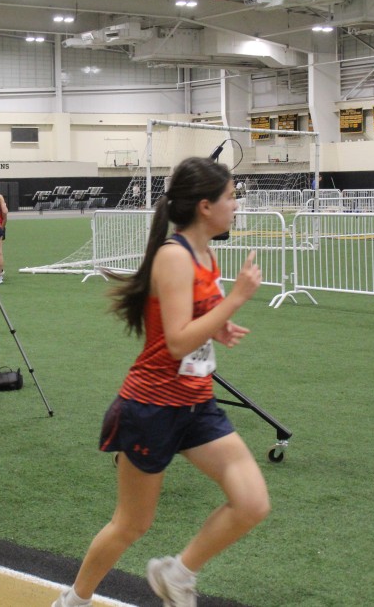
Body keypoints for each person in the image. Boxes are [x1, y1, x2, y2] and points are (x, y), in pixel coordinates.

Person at [53, 157, 268, 607]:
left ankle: (177, 573)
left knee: (252, 503)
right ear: (205, 206)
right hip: (151, 406)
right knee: (132, 524)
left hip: (196, 403)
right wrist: (235, 301)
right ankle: (73, 601)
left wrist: (218, 325)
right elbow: (176, 341)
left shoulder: (206, 254)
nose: (236, 205)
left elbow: (192, 320)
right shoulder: (174, 256)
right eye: (231, 197)